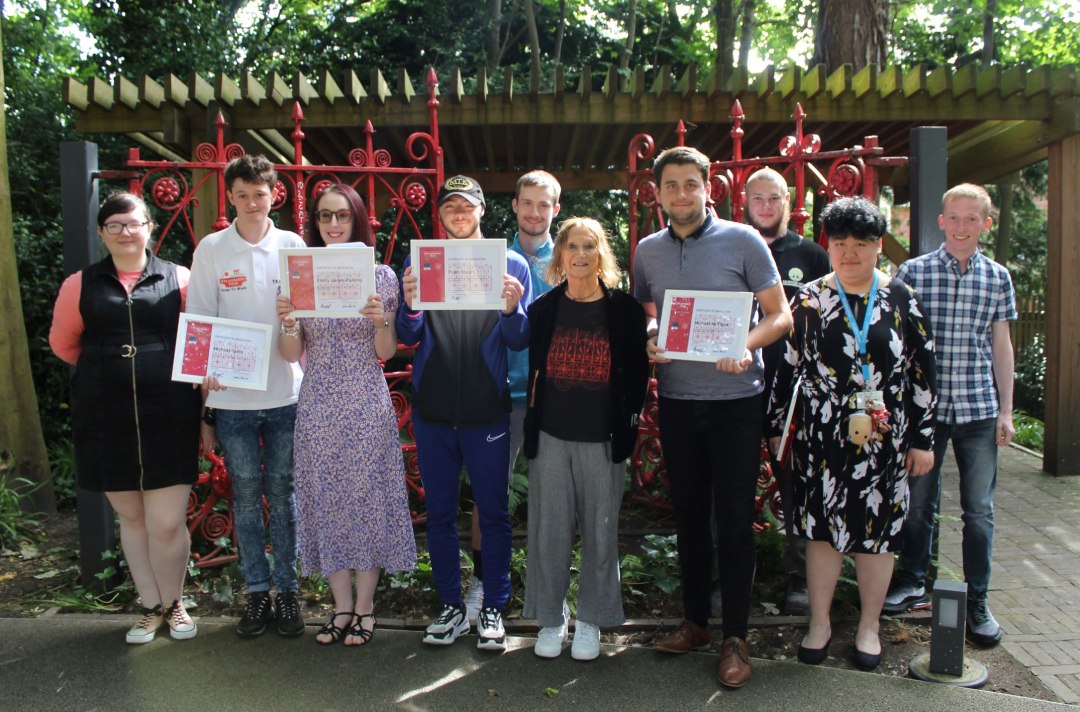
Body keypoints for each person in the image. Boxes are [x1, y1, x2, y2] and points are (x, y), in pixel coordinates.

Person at [632, 146, 792, 688]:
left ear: (709, 188)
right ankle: (696, 623)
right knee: (689, 519)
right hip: (678, 402)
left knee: (734, 523)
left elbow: (780, 315)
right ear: (657, 193)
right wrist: (652, 336)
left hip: (735, 404)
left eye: (690, 184)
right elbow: (649, 313)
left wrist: (747, 345)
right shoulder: (648, 252)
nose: (681, 194)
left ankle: (736, 638)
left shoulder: (743, 241)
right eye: (671, 185)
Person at [767, 196, 937, 671]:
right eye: (839, 243)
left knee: (876, 535)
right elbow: (789, 368)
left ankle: (868, 626)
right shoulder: (811, 298)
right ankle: (819, 623)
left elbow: (923, 372)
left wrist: (922, 439)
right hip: (822, 435)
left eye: (860, 244)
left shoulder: (901, 298)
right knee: (822, 532)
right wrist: (776, 426)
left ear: (878, 247)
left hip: (886, 436)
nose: (849, 254)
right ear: (829, 245)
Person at [49, 192, 201, 644]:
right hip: (106, 416)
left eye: (132, 223)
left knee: (166, 522)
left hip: (170, 412)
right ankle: (149, 607)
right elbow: (65, 344)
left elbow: (198, 340)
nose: (124, 232)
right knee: (131, 520)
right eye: (113, 225)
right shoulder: (80, 284)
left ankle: (175, 604)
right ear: (101, 233)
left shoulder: (179, 277)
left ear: (150, 227)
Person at [275, 184, 417, 646]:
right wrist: (289, 321)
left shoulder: (381, 277)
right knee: (326, 501)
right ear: (314, 223)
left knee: (367, 499)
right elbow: (291, 353)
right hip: (317, 401)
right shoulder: (299, 275)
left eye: (341, 216)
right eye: (323, 217)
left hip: (364, 401)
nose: (333, 225)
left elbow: (387, 352)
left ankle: (365, 607)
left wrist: (381, 320)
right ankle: (339, 607)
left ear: (357, 218)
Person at [397, 175, 530, 652]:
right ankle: (451, 606)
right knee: (439, 516)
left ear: (480, 210)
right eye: (450, 206)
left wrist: (514, 310)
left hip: (486, 409)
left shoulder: (510, 263)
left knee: (492, 514)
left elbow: (519, 341)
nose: (458, 213)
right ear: (442, 214)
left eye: (466, 205)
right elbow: (406, 337)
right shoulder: (422, 259)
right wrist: (410, 305)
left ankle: (493, 605)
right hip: (433, 410)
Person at [885, 183, 1017, 648]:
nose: (962, 227)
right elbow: (899, 346)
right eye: (954, 218)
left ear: (986, 223)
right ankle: (912, 581)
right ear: (941, 221)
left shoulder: (998, 277)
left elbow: (1000, 345)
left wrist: (1006, 410)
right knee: (919, 505)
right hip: (928, 414)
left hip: (979, 410)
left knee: (979, 511)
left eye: (972, 218)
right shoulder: (913, 274)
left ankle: (977, 600)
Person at [186, 154, 307, 639]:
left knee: (283, 494)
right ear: (229, 197)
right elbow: (198, 320)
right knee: (245, 499)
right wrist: (205, 379)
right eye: (242, 195)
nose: (253, 203)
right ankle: (257, 593)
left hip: (286, 395)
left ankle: (289, 591)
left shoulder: (293, 245)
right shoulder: (213, 250)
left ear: (275, 194)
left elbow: (307, 316)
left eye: (261, 193)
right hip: (233, 401)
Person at [522, 217, 649, 661]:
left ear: (601, 255)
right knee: (548, 531)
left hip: (603, 438)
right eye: (572, 246)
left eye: (589, 247)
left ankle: (592, 620)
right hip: (552, 435)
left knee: (601, 532)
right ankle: (552, 619)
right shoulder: (543, 310)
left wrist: (627, 428)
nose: (580, 255)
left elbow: (638, 375)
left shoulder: (625, 311)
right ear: (559, 255)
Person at [465, 170, 561, 625]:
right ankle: (483, 582)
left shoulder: (571, 257)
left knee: (552, 497)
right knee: (490, 495)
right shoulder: (491, 259)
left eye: (544, 205)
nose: (534, 212)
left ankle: (550, 591)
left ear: (555, 210)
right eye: (527, 203)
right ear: (515, 206)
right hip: (498, 394)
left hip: (553, 395)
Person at [744, 167, 830, 615]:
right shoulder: (733, 245)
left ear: (788, 200)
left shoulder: (812, 255)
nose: (765, 206)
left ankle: (798, 577)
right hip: (737, 383)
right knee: (733, 486)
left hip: (794, 391)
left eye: (773, 198)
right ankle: (736, 576)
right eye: (757, 198)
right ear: (745, 201)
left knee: (797, 487)